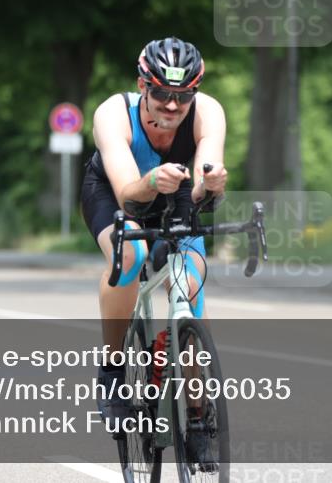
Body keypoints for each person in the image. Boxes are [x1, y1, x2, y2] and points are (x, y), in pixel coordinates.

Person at [80, 37, 227, 461]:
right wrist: (152, 181)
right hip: (116, 192)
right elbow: (129, 193)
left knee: (191, 285)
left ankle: (197, 412)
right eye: (161, 93)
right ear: (142, 85)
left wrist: (212, 183)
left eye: (182, 96)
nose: (171, 105)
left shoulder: (208, 112)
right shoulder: (113, 114)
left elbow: (206, 173)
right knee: (130, 257)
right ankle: (111, 370)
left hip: (175, 194)